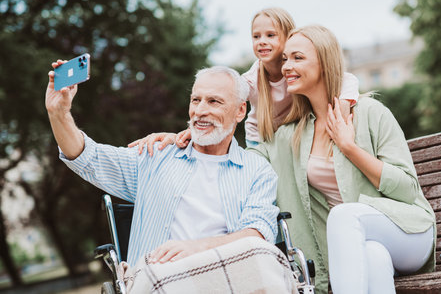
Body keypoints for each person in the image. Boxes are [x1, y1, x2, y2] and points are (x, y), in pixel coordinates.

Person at [45, 64, 297, 292]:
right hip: (161, 278)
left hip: (228, 276)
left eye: (214, 102)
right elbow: (88, 158)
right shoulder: (155, 156)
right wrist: (59, 114)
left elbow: (257, 235)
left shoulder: (257, 170)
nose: (200, 111)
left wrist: (195, 247)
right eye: (195, 100)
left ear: (240, 111)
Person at [248, 25, 436, 294]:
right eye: (285, 58)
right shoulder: (291, 135)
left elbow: (408, 189)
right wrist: (194, 133)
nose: (287, 66)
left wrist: (350, 147)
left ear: (324, 63)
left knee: (344, 215)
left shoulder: (371, 113)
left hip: (409, 232)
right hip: (362, 245)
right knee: (374, 257)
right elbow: (249, 157)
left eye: (298, 58)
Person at [128, 8, 360, 153]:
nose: (262, 41)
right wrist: (193, 130)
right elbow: (222, 102)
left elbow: (345, 79)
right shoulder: (250, 80)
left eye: (270, 35)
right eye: (256, 36)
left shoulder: (298, 73)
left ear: (288, 38)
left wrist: (342, 109)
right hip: (261, 140)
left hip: (292, 137)